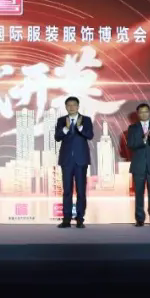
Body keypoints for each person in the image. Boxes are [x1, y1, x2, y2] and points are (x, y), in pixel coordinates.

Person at [54, 96, 94, 228]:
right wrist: (65, 129)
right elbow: (57, 137)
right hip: (66, 160)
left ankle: (80, 219)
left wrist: (80, 128)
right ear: (66, 107)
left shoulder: (86, 120)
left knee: (81, 191)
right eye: (69, 105)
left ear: (78, 106)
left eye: (74, 105)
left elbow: (90, 135)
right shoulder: (61, 120)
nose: (71, 107)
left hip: (81, 160)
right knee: (67, 191)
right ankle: (66, 219)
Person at [127, 103, 150, 227]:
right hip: (138, 165)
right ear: (138, 114)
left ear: (149, 112)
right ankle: (139, 219)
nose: (144, 114)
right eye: (141, 112)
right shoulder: (133, 128)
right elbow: (130, 145)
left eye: (146, 111)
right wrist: (142, 140)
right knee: (139, 193)